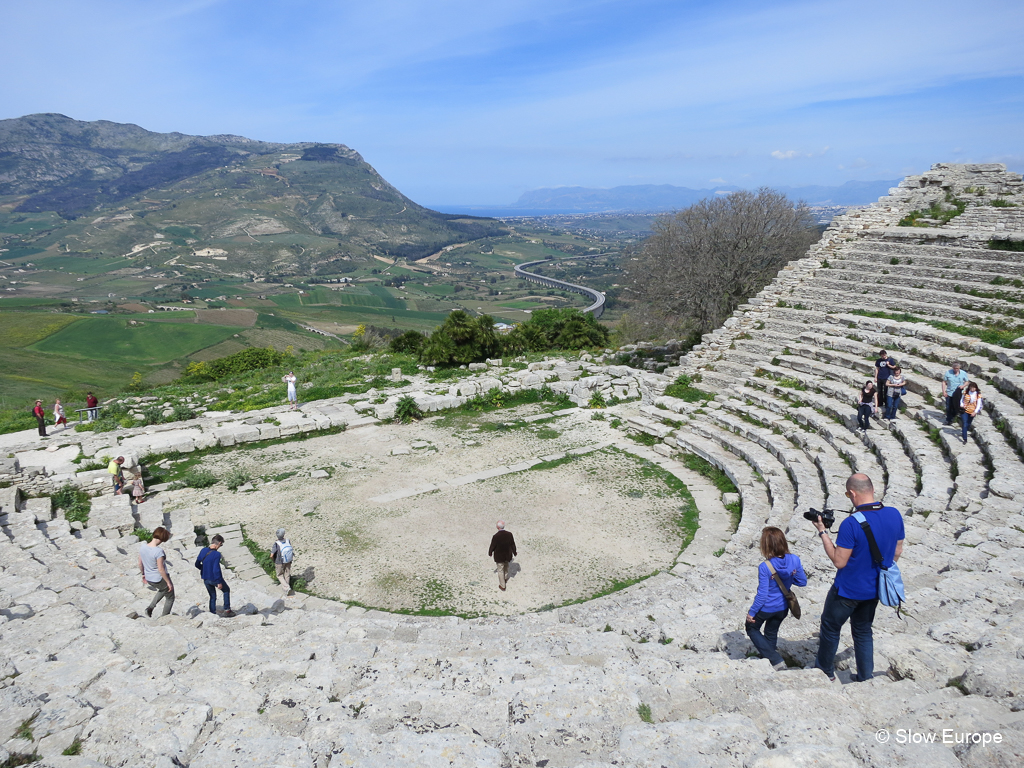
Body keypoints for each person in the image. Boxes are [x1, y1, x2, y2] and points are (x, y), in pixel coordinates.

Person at [812, 473, 905, 683]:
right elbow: (897, 551)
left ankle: (823, 672)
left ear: (852, 493)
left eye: (848, 494)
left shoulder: (851, 524)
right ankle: (866, 677)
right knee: (863, 632)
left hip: (847, 590)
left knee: (830, 627)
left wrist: (823, 533)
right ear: (872, 489)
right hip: (874, 589)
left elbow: (839, 561)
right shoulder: (894, 514)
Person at [746, 527, 807, 670]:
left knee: (751, 628)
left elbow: (762, 594)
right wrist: (791, 575)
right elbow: (802, 582)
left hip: (767, 607)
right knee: (771, 632)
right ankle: (769, 661)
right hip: (783, 607)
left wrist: (752, 612)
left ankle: (775, 660)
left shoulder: (765, 566)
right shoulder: (794, 559)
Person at [139, 527, 175, 618]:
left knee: (163, 590)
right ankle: (164, 617)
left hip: (149, 577)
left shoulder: (143, 547)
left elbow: (140, 562)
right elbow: (161, 569)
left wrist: (143, 574)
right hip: (158, 578)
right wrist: (168, 582)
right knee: (170, 597)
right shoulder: (158, 551)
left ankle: (151, 608)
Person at [196, 534, 234, 617]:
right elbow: (216, 569)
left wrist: (204, 569)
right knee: (226, 590)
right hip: (214, 578)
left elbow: (197, 564)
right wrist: (219, 582)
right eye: (221, 545)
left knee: (212, 596)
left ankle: (212, 614)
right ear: (219, 543)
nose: (220, 547)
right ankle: (227, 610)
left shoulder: (203, 550)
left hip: (205, 578)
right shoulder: (217, 554)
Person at [488, 520, 517, 592]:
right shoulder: (509, 534)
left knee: (500, 570)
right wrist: (514, 552)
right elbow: (512, 544)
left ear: (497, 527)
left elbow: (492, 546)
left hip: (499, 556)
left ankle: (502, 585)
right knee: (506, 567)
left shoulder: (496, 536)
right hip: (508, 555)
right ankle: (505, 578)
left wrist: (490, 552)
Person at [942, 361, 969, 426]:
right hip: (949, 392)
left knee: (956, 406)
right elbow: (944, 382)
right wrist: (944, 391)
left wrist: (963, 386)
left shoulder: (963, 373)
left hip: (958, 393)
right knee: (948, 406)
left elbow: (967, 381)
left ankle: (954, 416)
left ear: (959, 368)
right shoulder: (948, 373)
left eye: (957, 368)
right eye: (954, 368)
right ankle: (948, 419)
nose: (956, 369)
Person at [271, 528, 294, 596]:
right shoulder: (287, 540)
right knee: (287, 574)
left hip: (279, 561)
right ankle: (286, 589)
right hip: (288, 560)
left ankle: (286, 588)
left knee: (279, 575)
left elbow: (271, 555)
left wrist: (273, 560)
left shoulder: (276, 544)